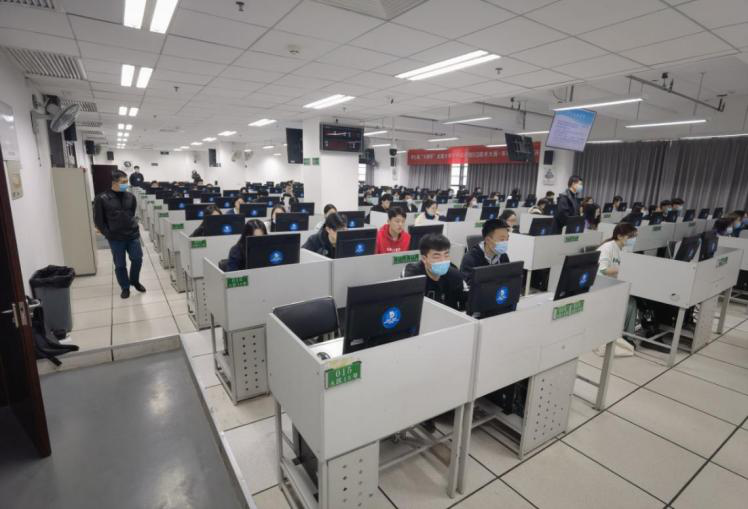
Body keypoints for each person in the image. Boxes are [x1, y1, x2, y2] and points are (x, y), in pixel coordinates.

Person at [93, 170, 145, 299]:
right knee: (120, 264)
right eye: (123, 182)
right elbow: (98, 220)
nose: (126, 184)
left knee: (137, 259)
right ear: (114, 182)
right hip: (116, 238)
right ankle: (125, 287)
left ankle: (134, 281)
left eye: (126, 181)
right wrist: (108, 233)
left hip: (132, 235)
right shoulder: (102, 198)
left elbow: (131, 213)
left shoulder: (130, 197)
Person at [597, 222, 639, 356]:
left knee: (632, 301)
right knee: (630, 302)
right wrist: (625, 269)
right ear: (620, 236)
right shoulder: (608, 247)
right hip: (600, 285)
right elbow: (603, 270)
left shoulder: (623, 249)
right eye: (630, 236)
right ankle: (622, 334)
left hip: (614, 284)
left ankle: (626, 335)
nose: (633, 239)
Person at [402, 233, 467, 310]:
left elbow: (466, 304)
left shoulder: (455, 274)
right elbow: (406, 306)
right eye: (437, 256)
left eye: (446, 255)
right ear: (424, 259)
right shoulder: (412, 275)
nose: (443, 260)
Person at [460, 219, 511, 288]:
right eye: (502, 239)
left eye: (507, 239)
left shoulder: (503, 256)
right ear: (487, 240)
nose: (505, 243)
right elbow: (468, 288)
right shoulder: (470, 259)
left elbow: (508, 280)